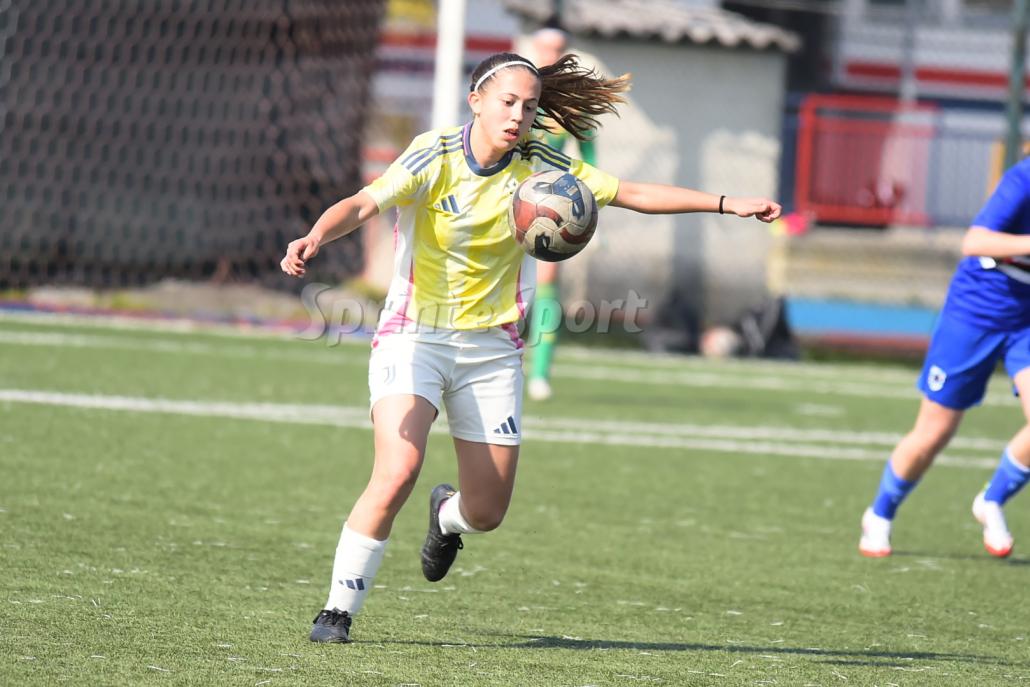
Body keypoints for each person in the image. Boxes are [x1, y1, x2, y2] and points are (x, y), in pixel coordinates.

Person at [281, 51, 781, 643]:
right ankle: (337, 611)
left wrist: (726, 203)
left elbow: (629, 192)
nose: (518, 115)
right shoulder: (434, 153)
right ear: (476, 101)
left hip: (492, 350)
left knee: (486, 512)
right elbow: (366, 202)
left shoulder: (543, 166)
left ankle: (446, 516)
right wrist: (316, 234)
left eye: (530, 105)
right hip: (414, 335)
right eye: (508, 102)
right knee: (397, 470)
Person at [859, 157, 1030, 559]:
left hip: (1027, 320)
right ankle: (880, 513)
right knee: (934, 433)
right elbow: (975, 242)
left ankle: (991, 499)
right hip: (977, 312)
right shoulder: (1023, 179)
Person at [524, 27, 598, 402]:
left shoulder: (571, 104)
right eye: (546, 48)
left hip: (547, 207)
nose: (551, 54)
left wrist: (589, 205)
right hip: (502, 197)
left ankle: (540, 372)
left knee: (547, 280)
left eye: (559, 49)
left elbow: (589, 154)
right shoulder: (517, 92)